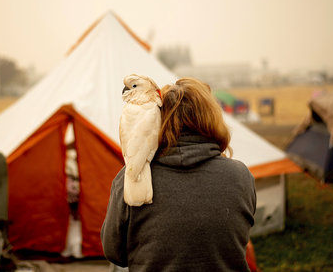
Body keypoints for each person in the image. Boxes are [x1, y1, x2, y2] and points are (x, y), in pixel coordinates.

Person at [101, 77, 256, 272]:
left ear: (159, 119)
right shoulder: (240, 176)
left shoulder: (132, 178)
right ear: (212, 117)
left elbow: (114, 253)